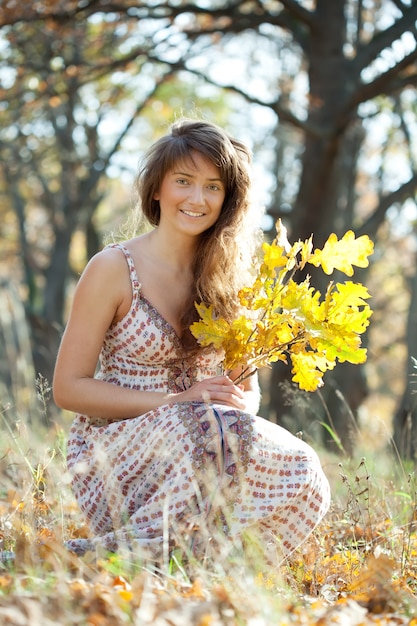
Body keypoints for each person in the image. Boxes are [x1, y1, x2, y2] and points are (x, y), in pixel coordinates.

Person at [53, 118, 330, 564]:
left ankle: (209, 571)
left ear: (227, 200)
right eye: (184, 181)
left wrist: (236, 409)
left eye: (213, 187)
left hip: (212, 443)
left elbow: (247, 391)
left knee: (305, 466)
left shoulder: (235, 282)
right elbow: (69, 389)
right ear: (158, 188)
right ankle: (106, 557)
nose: (197, 199)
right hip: (114, 452)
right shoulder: (112, 269)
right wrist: (180, 401)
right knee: (202, 428)